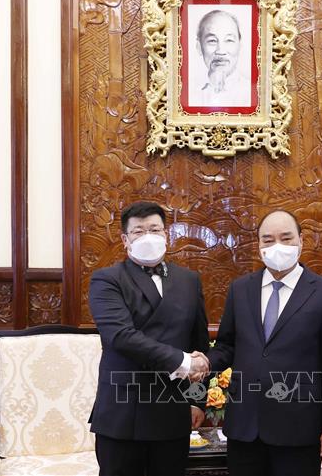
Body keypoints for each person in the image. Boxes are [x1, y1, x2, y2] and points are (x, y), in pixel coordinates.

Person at [205, 210, 322, 476]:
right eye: (268, 240)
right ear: (259, 245)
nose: (277, 246)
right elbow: (226, 346)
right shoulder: (240, 289)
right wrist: (201, 362)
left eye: (286, 238)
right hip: (244, 427)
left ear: (301, 241)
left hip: (299, 429)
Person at [88, 201, 211, 476]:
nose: (148, 237)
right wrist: (182, 361)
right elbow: (122, 336)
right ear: (124, 239)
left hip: (172, 411)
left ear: (166, 235)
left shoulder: (189, 280)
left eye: (155, 230)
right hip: (122, 413)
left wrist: (196, 400)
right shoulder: (106, 280)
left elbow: (199, 343)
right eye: (139, 231)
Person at [191, 9, 251, 107]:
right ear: (199, 46)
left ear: (240, 45)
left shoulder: (253, 93)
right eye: (212, 41)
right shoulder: (186, 92)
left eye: (229, 40)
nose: (220, 51)